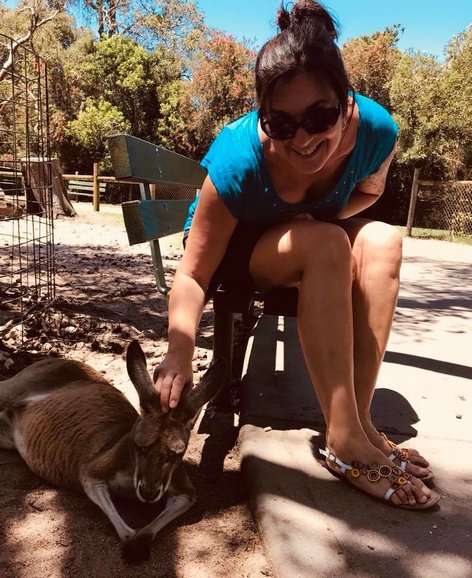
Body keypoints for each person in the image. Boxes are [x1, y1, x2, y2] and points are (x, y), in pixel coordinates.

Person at [154, 0, 439, 509]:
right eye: (282, 125)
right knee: (328, 242)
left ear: (346, 101)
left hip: (305, 240)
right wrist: (179, 348)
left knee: (382, 240)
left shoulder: (377, 131)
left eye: (320, 116)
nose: (304, 138)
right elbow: (195, 274)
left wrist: (313, 217)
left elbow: (369, 194)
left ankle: (358, 422)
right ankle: (343, 438)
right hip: (237, 255)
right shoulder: (239, 158)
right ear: (264, 118)